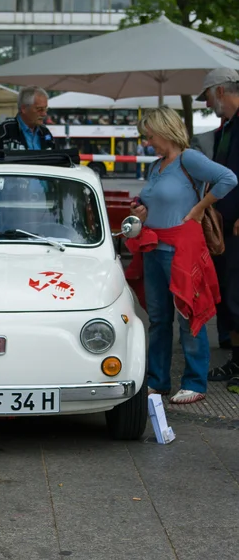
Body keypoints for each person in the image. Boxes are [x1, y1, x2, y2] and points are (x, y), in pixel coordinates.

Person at [130, 105, 237, 404]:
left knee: (189, 315)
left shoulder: (189, 159)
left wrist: (200, 208)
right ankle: (158, 380)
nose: (147, 141)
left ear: (165, 131)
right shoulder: (156, 165)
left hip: (180, 249)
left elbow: (229, 179)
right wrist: (141, 208)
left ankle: (194, 382)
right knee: (159, 320)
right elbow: (157, 202)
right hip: (153, 247)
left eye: (150, 135)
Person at [196, 68, 239, 392]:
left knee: (235, 295)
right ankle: (236, 359)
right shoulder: (228, 127)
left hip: (235, 226)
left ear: (220, 91)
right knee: (229, 294)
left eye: (208, 97)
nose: (208, 104)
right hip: (225, 227)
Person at [191, 119, 232, 350]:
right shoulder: (208, 139)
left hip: (217, 218)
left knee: (225, 282)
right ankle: (224, 332)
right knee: (218, 279)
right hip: (213, 220)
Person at [0, 86, 55, 151]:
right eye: (39, 109)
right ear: (24, 108)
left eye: (46, 109)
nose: (44, 114)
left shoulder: (45, 132)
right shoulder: (2, 132)